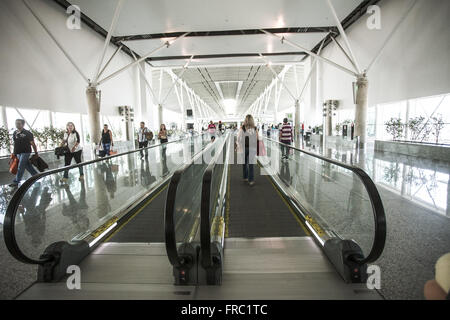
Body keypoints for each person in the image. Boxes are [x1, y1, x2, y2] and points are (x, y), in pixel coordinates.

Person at [9, 119, 39, 188]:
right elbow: (15, 144)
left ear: (23, 124)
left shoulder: (28, 133)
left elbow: (33, 144)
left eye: (19, 123)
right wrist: (14, 153)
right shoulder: (15, 133)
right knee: (28, 166)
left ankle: (16, 182)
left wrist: (36, 153)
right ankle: (37, 176)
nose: (17, 125)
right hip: (18, 153)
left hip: (26, 152)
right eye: (16, 123)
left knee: (20, 167)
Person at [236, 114, 259, 186]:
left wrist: (237, 146)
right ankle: (251, 180)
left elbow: (238, 138)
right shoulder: (255, 128)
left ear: (245, 120)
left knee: (244, 163)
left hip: (243, 148)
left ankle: (245, 177)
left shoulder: (242, 128)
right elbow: (257, 138)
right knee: (251, 164)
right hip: (252, 148)